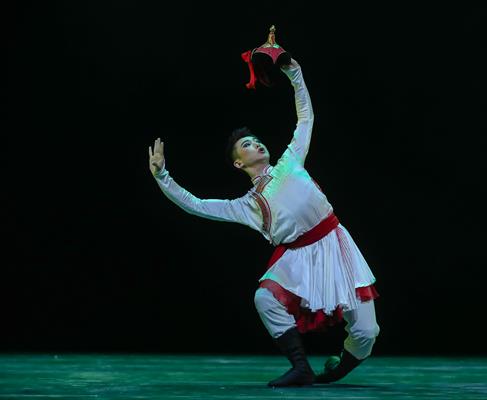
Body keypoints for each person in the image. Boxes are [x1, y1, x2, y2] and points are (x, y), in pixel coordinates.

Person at [148, 58, 380, 387]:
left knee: (367, 332)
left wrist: (295, 73)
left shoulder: (290, 161)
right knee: (264, 298)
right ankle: (300, 367)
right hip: (299, 259)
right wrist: (163, 177)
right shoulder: (248, 206)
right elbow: (197, 205)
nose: (256, 143)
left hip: (336, 245)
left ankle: (339, 367)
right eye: (246, 144)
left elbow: (305, 117)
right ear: (238, 163)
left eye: (256, 139)